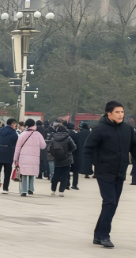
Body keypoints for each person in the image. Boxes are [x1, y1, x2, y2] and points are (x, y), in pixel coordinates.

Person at [82, 101, 136, 249]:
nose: (120, 115)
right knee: (110, 202)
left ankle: (98, 234)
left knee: (112, 204)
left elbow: (134, 147)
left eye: (122, 112)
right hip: (104, 171)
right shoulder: (99, 129)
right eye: (117, 112)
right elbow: (88, 149)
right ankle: (105, 236)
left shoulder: (128, 129)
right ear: (109, 113)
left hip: (120, 172)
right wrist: (87, 168)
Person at [13, 119, 46, 197]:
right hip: (34, 157)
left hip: (23, 157)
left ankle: (24, 191)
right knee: (31, 172)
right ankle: (31, 189)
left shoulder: (22, 134)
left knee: (24, 174)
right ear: (34, 125)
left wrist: (15, 158)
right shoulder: (38, 134)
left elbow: (17, 148)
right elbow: (43, 146)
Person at [47, 122, 77, 197]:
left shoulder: (53, 137)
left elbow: (49, 148)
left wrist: (54, 155)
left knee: (56, 175)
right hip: (67, 159)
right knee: (65, 175)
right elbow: (74, 147)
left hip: (57, 159)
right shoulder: (68, 137)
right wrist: (68, 152)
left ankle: (53, 190)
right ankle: (61, 191)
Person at [0, 119, 19, 194]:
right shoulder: (14, 133)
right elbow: (16, 144)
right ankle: (5, 188)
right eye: (15, 124)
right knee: (7, 171)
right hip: (9, 153)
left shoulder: (0, 131)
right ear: (12, 124)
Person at [73, 122, 91, 190]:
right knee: (88, 162)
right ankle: (87, 173)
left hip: (79, 150)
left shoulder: (78, 134)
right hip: (88, 150)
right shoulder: (90, 133)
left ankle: (73, 184)